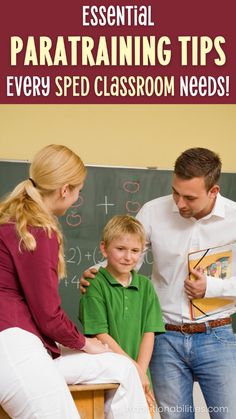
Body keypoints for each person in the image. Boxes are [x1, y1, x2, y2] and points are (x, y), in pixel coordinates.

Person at [80, 148, 236, 419]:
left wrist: (212, 288)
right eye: (175, 192)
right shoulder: (153, 210)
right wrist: (96, 273)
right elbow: (129, 258)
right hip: (164, 337)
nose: (179, 203)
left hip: (217, 336)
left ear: (213, 191)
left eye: (189, 197)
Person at [0, 144, 152, 419]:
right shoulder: (36, 230)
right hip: (12, 346)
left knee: (123, 368)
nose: (76, 198)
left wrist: (76, 344)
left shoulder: (13, 221)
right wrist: (83, 342)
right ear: (64, 190)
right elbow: (47, 314)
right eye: (79, 191)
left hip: (23, 344)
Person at [79, 215, 165, 409]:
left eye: (135, 251)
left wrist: (141, 372)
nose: (128, 257)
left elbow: (149, 333)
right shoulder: (94, 284)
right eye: (120, 249)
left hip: (141, 376)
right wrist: (134, 370)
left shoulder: (145, 286)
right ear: (104, 248)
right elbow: (100, 334)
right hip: (108, 377)